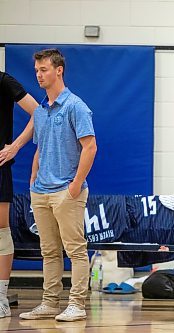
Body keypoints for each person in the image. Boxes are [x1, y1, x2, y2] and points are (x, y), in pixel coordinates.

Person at [19, 49, 97, 322]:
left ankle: (77, 304)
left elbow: (90, 147)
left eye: (44, 70)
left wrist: (75, 186)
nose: (39, 75)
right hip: (41, 191)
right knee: (49, 251)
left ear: (59, 70)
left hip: (67, 191)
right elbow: (40, 149)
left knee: (75, 249)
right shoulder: (40, 111)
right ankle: (50, 302)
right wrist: (32, 181)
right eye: (37, 70)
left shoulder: (76, 106)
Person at [0, 71, 38, 318]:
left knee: (1, 231)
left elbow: (39, 112)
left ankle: (1, 297)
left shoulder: (4, 81)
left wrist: (15, 146)